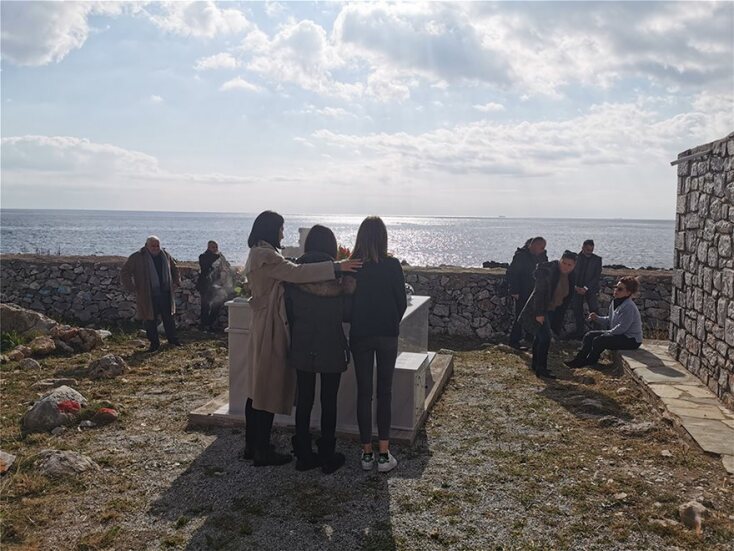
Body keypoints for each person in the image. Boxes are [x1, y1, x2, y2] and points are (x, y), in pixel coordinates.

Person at [243, 211, 361, 467]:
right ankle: (263, 450)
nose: (283, 233)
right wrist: (337, 267)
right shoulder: (267, 256)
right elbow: (297, 273)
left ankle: (265, 447)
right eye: (280, 228)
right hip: (275, 326)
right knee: (266, 389)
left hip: (285, 334)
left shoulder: (258, 254)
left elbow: (293, 278)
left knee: (263, 389)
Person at [285, 225, 354, 474]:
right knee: (328, 400)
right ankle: (327, 452)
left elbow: (289, 311)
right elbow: (347, 313)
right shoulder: (339, 276)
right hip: (331, 342)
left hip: (302, 341)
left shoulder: (295, 274)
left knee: (304, 399)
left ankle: (303, 453)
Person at [348, 216, 407, 473]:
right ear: (383, 238)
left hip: (360, 333)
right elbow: (401, 301)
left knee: (364, 393)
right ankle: (384, 454)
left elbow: (346, 303)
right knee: (385, 392)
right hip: (387, 333)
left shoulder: (353, 266)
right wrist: (391, 319)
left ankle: (366, 453)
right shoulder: (392, 265)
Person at [519, 250, 577, 379]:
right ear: (560, 260)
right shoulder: (547, 271)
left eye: (569, 265)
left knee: (539, 338)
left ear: (574, 266)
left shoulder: (571, 276)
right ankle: (542, 368)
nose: (566, 267)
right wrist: (539, 313)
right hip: (539, 309)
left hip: (552, 310)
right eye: (564, 263)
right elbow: (539, 294)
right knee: (545, 338)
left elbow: (566, 296)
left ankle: (536, 365)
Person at [564, 276, 643, 368]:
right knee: (589, 335)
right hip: (620, 335)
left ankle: (590, 361)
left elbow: (622, 328)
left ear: (628, 292)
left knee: (600, 340)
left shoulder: (629, 306)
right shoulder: (615, 302)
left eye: (620, 289)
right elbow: (610, 320)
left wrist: (607, 333)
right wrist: (597, 318)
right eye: (616, 287)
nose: (616, 290)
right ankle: (579, 360)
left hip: (631, 339)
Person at [121, 235, 181, 352]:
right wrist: (131, 287)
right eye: (153, 245)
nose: (155, 248)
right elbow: (125, 272)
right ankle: (154, 344)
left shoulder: (165, 255)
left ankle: (173, 340)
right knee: (150, 320)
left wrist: (176, 282)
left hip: (165, 293)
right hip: (147, 294)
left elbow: (175, 269)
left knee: (169, 318)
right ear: (147, 245)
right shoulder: (137, 257)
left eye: (157, 245)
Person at [507, 237, 548, 350]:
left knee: (534, 315)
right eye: (541, 247)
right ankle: (514, 341)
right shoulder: (521, 256)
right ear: (534, 245)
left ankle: (530, 338)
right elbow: (513, 273)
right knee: (519, 316)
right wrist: (514, 290)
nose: (543, 250)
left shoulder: (542, 256)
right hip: (522, 290)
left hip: (536, 291)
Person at [568, 239, 602, 339]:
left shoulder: (597, 259)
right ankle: (580, 333)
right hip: (576, 289)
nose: (589, 252)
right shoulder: (574, 258)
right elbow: (570, 274)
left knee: (594, 310)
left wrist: (585, 288)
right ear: (582, 247)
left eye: (591, 250)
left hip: (590, 289)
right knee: (577, 310)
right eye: (588, 250)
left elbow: (596, 277)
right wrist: (575, 287)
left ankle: (597, 332)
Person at [197, 240, 234, 331]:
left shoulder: (219, 257)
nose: (215, 249)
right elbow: (206, 267)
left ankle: (210, 323)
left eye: (216, 247)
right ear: (208, 247)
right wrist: (218, 257)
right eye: (213, 247)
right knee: (205, 306)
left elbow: (227, 266)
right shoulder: (203, 256)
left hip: (216, 285)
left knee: (216, 305)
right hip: (205, 285)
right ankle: (204, 325)